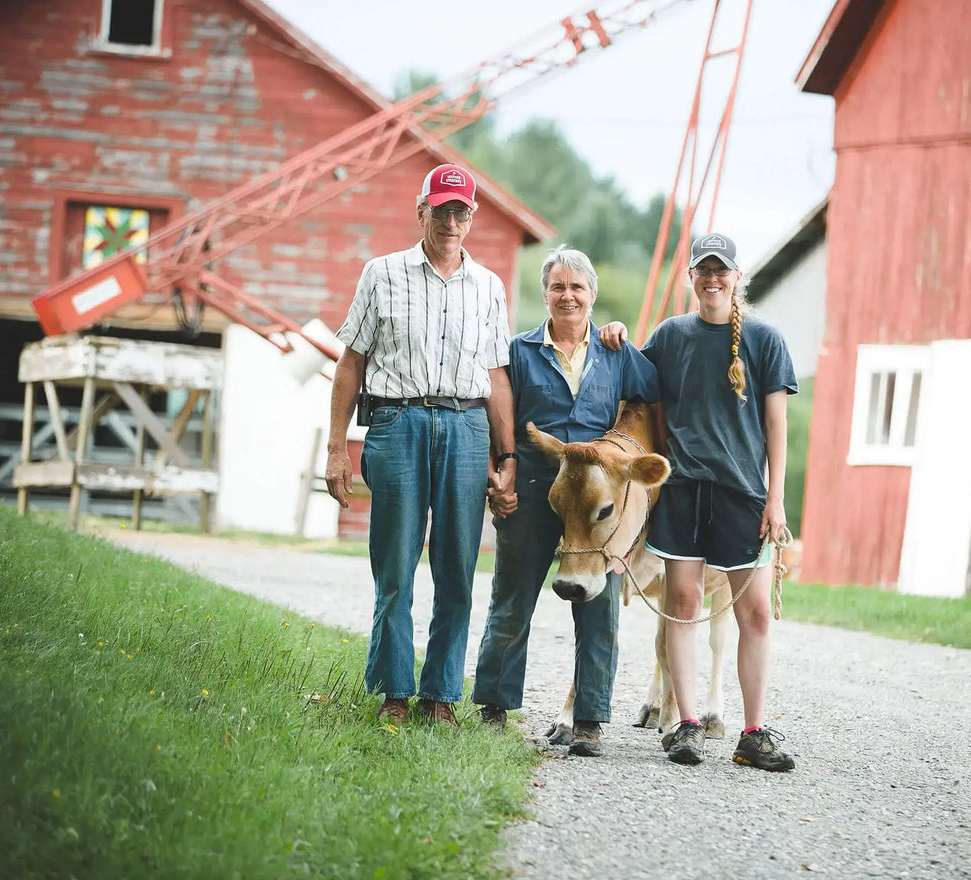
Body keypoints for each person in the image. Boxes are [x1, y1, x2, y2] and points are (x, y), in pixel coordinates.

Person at [325, 163, 517, 729]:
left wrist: (505, 458)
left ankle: (439, 696)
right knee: (395, 566)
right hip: (397, 425)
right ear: (422, 210)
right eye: (442, 210)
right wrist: (338, 448)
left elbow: (497, 375)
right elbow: (350, 363)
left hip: (465, 427)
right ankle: (392, 692)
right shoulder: (380, 274)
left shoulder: (489, 287)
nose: (452, 220)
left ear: (472, 216)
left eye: (462, 211)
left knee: (457, 568)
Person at [474, 245, 659, 757]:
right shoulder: (519, 351)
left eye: (577, 287)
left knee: (599, 608)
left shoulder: (615, 353)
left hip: (599, 495)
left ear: (592, 295)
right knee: (512, 598)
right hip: (537, 489)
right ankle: (493, 706)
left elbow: (654, 393)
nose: (568, 296)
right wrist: (500, 471)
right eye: (558, 287)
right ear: (545, 294)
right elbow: (500, 416)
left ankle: (589, 720)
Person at [639, 232, 798, 771]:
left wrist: (775, 501)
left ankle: (752, 734)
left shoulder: (764, 340)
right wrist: (612, 336)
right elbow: (633, 383)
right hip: (683, 490)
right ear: (691, 277)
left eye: (721, 270)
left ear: (737, 278)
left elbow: (777, 425)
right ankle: (686, 725)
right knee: (682, 605)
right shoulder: (669, 336)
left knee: (754, 615)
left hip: (743, 494)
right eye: (703, 270)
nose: (712, 279)